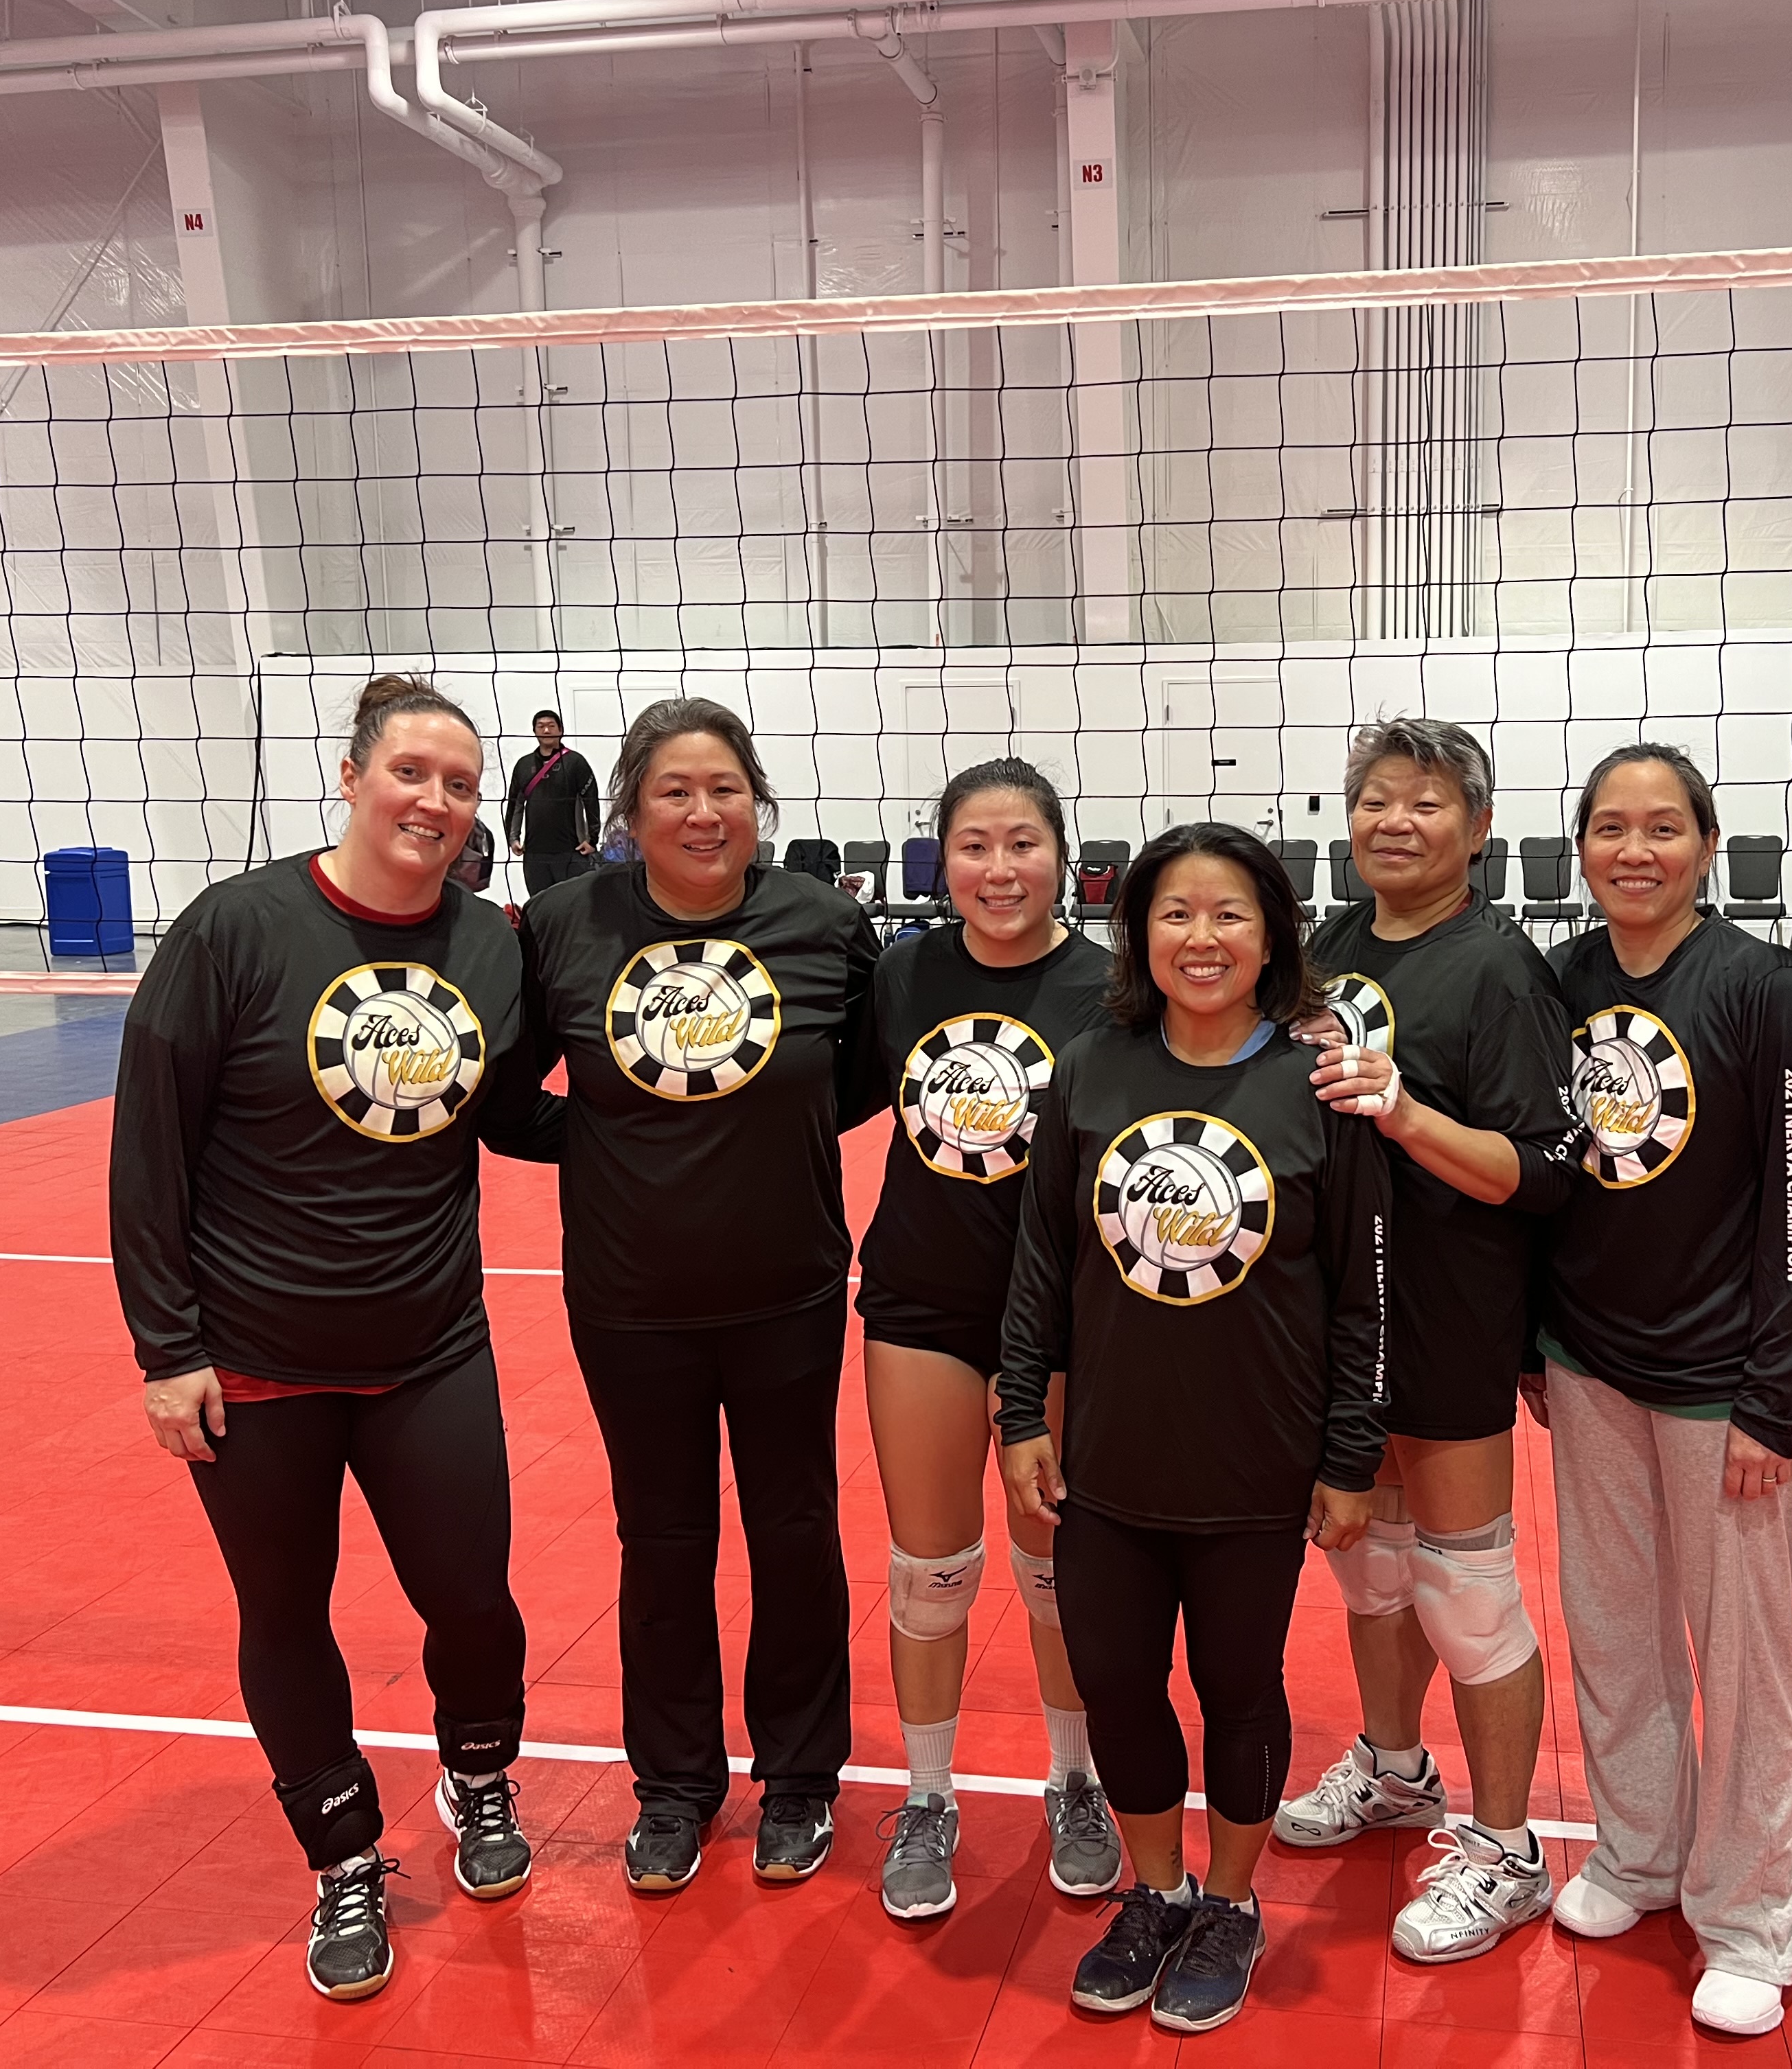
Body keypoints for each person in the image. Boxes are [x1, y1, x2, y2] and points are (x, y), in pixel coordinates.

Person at [112, 674, 563, 2004]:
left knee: (473, 1599)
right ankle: (344, 1854)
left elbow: (507, 1111)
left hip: (430, 1344)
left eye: (460, 783)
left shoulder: (488, 944)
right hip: (254, 1359)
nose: (435, 800)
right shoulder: (235, 928)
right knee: (284, 1610)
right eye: (411, 772)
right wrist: (165, 1349)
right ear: (354, 776)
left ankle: (478, 1773)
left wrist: (668, 1126)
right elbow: (150, 1144)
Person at [997, 822, 1390, 2037]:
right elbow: (1040, 1260)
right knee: (1116, 1679)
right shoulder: (1090, 1068)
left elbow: (1364, 1293)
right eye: (1175, 912)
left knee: (1236, 1685)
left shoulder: (1318, 1084)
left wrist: (1350, 1454)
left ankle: (1230, 1902)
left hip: (1255, 1460)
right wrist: (1020, 1410)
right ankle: (1158, 1889)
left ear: (1272, 934)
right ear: (1139, 933)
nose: (1202, 937)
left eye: (1230, 913)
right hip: (1111, 1457)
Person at [518, 696, 882, 1895]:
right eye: (674, 790)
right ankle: (674, 1785)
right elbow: (504, 1092)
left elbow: (862, 1072)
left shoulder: (824, 922)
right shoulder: (566, 924)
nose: (703, 811)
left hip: (787, 1287)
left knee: (795, 1531)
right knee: (663, 1543)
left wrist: (763, 1125)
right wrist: (615, 1136)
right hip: (630, 1300)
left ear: (757, 800)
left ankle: (801, 1775)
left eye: (725, 787)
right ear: (630, 808)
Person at [1536, 743, 1792, 2040]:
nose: (1636, 850)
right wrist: (1533, 1341)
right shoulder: (1561, 979)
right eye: (1611, 827)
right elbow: (1544, 1171)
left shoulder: (1763, 987)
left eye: (1663, 826)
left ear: (1707, 846)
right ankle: (1640, 1854)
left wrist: (1778, 1395)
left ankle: (1754, 1916)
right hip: (1587, 1363)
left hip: (1723, 1383)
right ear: (1581, 848)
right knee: (1613, 1629)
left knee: (1743, 1657)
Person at [1276, 718, 1579, 1965]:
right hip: (1341, 1313)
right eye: (1376, 800)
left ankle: (1507, 1847)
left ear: (1479, 826)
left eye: (1427, 801)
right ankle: (1397, 1769)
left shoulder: (1499, 969)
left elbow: (1542, 1171)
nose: (1395, 821)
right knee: (1373, 1568)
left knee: (1466, 1587)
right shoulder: (1328, 947)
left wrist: (1405, 1114)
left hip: (1449, 1310)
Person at [851, 759, 1122, 1920]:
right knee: (932, 1571)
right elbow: (821, 1094)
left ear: (1062, 856)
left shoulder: (1110, 989)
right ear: (942, 860)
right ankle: (927, 1797)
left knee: (1057, 1564)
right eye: (974, 845)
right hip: (922, 1301)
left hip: (1059, 1318)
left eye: (1022, 844)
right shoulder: (901, 972)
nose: (999, 868)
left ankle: (1076, 1779)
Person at [504, 708, 601, 901]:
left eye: (551, 726)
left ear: (561, 730)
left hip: (572, 851)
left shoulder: (575, 762)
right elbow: (515, 804)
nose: (546, 730)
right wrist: (512, 838)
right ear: (534, 731)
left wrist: (592, 839)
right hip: (535, 855)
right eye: (541, 726)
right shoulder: (524, 765)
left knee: (573, 907)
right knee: (540, 907)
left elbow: (591, 800)